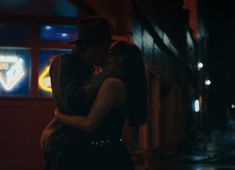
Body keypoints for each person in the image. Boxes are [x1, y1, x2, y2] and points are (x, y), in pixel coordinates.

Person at [41, 16, 148, 170]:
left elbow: (88, 122)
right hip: (95, 154)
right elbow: (75, 104)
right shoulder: (76, 68)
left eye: (109, 51)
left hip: (101, 156)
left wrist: (58, 117)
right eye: (105, 48)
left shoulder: (111, 82)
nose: (106, 53)